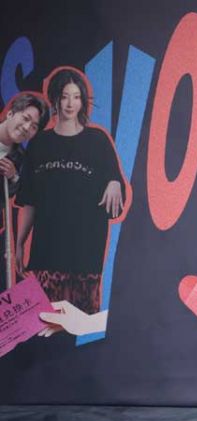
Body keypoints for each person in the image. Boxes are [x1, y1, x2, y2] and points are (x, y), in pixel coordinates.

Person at [16, 67, 127, 315]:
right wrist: (19, 244)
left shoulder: (97, 141)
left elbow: (117, 194)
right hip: (46, 254)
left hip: (85, 258)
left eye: (76, 97)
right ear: (55, 98)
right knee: (42, 324)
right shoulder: (39, 144)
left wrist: (114, 181)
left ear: (82, 101)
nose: (70, 103)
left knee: (80, 328)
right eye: (65, 96)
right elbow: (28, 201)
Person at [0, 92, 48, 291]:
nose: (27, 127)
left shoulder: (21, 158)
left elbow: (14, 194)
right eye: (26, 118)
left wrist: (13, 177)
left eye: (34, 126)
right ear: (11, 113)